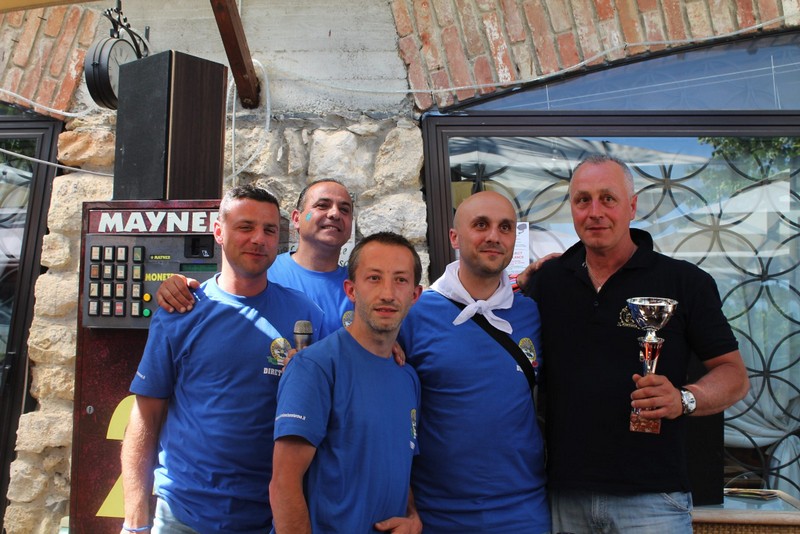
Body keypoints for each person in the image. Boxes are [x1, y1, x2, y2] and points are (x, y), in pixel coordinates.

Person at [519, 154, 749, 533]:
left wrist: (684, 399)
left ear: (632, 206)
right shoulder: (548, 282)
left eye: (608, 198)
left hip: (653, 500)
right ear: (571, 208)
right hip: (564, 497)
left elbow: (734, 375)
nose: (595, 212)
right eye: (583, 200)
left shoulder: (685, 283)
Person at [120, 185, 324, 534]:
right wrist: (135, 522)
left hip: (269, 517)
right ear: (219, 232)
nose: (258, 239)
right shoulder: (180, 311)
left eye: (269, 230)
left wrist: (389, 346)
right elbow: (144, 417)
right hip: (182, 516)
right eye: (246, 227)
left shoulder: (306, 316)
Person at [397, 191, 550, 533]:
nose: (494, 236)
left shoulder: (532, 313)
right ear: (454, 237)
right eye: (481, 225)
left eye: (505, 227)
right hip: (437, 512)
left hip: (523, 509)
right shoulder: (414, 315)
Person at [270, 232, 423, 533]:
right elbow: (284, 485)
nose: (388, 293)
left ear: (415, 295)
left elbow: (396, 464)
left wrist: (412, 517)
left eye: (401, 280)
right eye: (374, 278)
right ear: (351, 290)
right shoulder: (315, 367)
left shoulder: (408, 377)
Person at [156, 179, 354, 336]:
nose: (335, 214)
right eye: (322, 205)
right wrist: (175, 289)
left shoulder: (360, 287)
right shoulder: (259, 270)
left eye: (344, 209)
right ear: (296, 219)